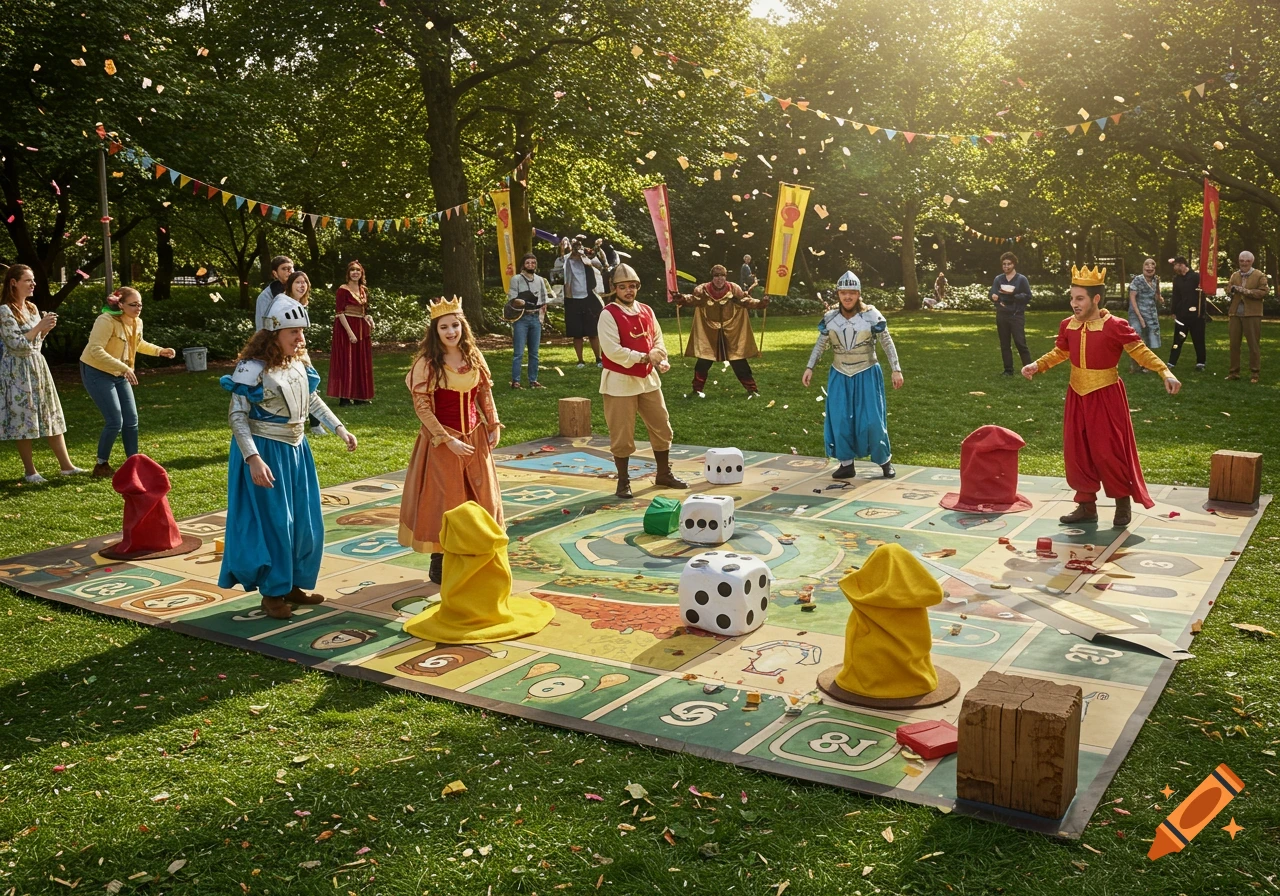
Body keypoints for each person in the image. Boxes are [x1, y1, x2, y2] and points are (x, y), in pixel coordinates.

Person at [218, 296, 357, 619]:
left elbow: (312, 400)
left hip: (297, 450)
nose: (301, 339)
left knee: (305, 523)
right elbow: (238, 417)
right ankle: (273, 592)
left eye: (302, 332)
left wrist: (339, 428)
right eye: (293, 332)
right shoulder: (252, 369)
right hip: (266, 451)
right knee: (276, 524)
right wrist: (252, 458)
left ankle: (292, 583)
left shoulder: (299, 362)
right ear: (274, 333)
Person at [1021, 265, 1180, 529]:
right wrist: (1037, 365)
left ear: (1095, 299)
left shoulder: (1115, 326)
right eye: (1072, 298)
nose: (1074, 303)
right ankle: (1086, 506)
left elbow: (1140, 352)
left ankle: (1122, 503)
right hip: (1077, 395)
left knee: (1109, 452)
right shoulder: (1068, 325)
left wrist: (1165, 372)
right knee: (1077, 451)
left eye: (1079, 298)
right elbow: (1061, 352)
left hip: (1106, 395)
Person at [398, 297, 504, 585]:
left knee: (480, 496)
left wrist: (493, 423)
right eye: (444, 327)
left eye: (455, 325)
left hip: (475, 435)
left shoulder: (473, 355)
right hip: (442, 441)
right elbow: (422, 408)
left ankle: (476, 554)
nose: (451, 331)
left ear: (463, 327)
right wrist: (446, 439)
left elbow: (483, 393)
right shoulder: (427, 363)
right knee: (447, 499)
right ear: (435, 331)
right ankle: (440, 558)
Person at [597, 264, 688, 499]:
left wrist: (659, 357)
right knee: (622, 434)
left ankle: (663, 474)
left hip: (648, 379)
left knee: (662, 426)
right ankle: (623, 481)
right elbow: (612, 350)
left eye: (632, 286)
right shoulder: (608, 313)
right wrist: (645, 357)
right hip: (620, 381)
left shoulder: (646, 310)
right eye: (623, 287)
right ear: (614, 288)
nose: (628, 291)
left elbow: (657, 338)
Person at [802, 271, 903, 480]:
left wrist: (896, 368)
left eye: (852, 293)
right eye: (843, 293)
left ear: (858, 294)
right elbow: (821, 343)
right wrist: (810, 366)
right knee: (839, 419)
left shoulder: (871, 314)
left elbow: (886, 341)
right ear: (838, 294)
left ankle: (884, 461)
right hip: (839, 373)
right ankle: (846, 463)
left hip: (866, 371)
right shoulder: (830, 318)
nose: (847, 297)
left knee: (872, 420)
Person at [79, 287, 177, 478]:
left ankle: (134, 464)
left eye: (140, 304)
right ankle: (101, 465)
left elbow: (137, 343)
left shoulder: (136, 322)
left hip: (121, 372)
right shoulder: (105, 320)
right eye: (133, 304)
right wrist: (124, 368)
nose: (138, 308)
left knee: (131, 421)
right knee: (115, 421)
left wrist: (160, 350)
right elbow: (95, 350)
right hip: (97, 371)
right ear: (120, 304)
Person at [0, 265, 85, 483]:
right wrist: (39, 327)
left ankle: (66, 466)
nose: (33, 284)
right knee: (23, 418)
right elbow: (16, 344)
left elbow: (34, 344)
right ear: (13, 283)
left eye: (33, 280)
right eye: (28, 280)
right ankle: (30, 472)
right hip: (17, 371)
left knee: (50, 413)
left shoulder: (32, 308)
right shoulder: (5, 311)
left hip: (37, 366)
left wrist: (43, 331)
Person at [674, 264, 768, 398]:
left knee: (738, 361)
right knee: (704, 361)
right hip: (709, 331)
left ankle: (752, 389)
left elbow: (745, 301)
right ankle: (697, 389)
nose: (719, 279)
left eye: (722, 275)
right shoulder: (703, 289)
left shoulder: (734, 289)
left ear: (726, 276)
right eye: (716, 276)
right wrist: (682, 298)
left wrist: (760, 303)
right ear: (712, 277)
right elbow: (694, 300)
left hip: (731, 330)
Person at [327, 260, 375, 406]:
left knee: (360, 360)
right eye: (352, 270)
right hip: (345, 327)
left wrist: (369, 318)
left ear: (362, 273)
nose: (355, 273)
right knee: (347, 360)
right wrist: (350, 333)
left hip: (361, 327)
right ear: (348, 273)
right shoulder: (343, 290)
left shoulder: (363, 290)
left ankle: (360, 397)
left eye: (358, 270)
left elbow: (363, 311)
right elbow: (340, 313)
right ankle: (345, 397)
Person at [505, 252, 550, 389]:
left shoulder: (540, 280)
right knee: (519, 352)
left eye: (533, 262)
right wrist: (523, 301)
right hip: (521, 318)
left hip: (535, 318)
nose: (531, 265)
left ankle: (533, 380)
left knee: (534, 353)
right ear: (523, 265)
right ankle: (516, 381)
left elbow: (544, 300)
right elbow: (512, 299)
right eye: (528, 262)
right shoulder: (516, 279)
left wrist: (541, 317)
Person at [562, 236, 604, 368]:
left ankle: (598, 358)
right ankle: (580, 360)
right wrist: (564, 248)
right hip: (572, 299)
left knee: (593, 332)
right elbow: (559, 262)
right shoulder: (566, 260)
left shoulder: (587, 258)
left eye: (579, 248)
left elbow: (600, 264)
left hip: (588, 297)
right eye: (575, 248)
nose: (577, 251)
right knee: (577, 333)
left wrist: (588, 256)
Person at [1226, 251, 1268, 383]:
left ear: (1252, 262)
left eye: (1247, 261)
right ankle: (1234, 372)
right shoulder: (1235, 275)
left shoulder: (1259, 275)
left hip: (1252, 313)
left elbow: (1263, 292)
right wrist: (1232, 289)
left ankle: (1255, 373)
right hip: (1235, 313)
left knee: (1253, 344)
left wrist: (1247, 292)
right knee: (1234, 344)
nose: (1244, 263)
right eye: (1241, 261)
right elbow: (1228, 288)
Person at [989, 251, 1032, 375]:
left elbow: (1028, 295)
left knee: (1020, 343)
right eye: (1004, 264)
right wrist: (994, 297)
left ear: (1014, 264)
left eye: (1009, 264)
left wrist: (1014, 295)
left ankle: (1028, 369)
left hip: (1016, 315)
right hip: (1002, 315)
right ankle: (1008, 370)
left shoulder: (1021, 279)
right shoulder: (998, 279)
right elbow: (992, 294)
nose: (1006, 266)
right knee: (1004, 344)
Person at [1167, 256, 1206, 371]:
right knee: (1177, 339)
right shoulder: (1176, 279)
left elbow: (1203, 295)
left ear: (1182, 264)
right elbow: (1176, 296)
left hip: (1196, 315)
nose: (1175, 268)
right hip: (1182, 314)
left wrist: (1202, 312)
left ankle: (1200, 363)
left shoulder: (1196, 277)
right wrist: (1173, 311)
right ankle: (1171, 362)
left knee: (1198, 339)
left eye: (1176, 265)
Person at [1127, 257, 1163, 371]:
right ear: (1143, 267)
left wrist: (1160, 298)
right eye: (1147, 265)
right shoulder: (1138, 280)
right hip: (1136, 313)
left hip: (1150, 313)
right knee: (1137, 338)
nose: (1150, 267)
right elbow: (1132, 297)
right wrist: (1140, 318)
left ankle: (1146, 364)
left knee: (1149, 338)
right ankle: (1135, 365)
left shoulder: (1155, 280)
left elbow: (1157, 293)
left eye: (1152, 265)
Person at [253, 255, 294, 331]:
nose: (289, 271)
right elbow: (264, 327)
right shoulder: (265, 296)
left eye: (290, 268)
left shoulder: (296, 290)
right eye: (284, 269)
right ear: (275, 273)